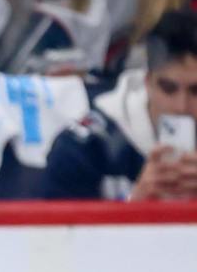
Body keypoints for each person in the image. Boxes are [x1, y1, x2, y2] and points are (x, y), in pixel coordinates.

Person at [44, 10, 197, 197]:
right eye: (168, 88)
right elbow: (60, 225)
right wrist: (138, 205)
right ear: (147, 82)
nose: (181, 107)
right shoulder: (86, 147)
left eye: (195, 91)